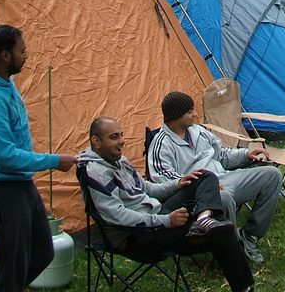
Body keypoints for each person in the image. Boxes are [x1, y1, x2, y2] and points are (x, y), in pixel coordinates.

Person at [0, 25, 78, 292]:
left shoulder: (4, 82)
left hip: (20, 185)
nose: (27, 55)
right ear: (5, 55)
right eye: (21, 51)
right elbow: (6, 156)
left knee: (41, 253)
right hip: (0, 191)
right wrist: (54, 161)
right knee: (13, 268)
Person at [81, 117, 254, 292]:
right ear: (96, 141)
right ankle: (245, 288)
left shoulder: (120, 161)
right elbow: (117, 216)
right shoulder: (96, 172)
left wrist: (178, 183)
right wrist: (166, 221)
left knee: (204, 176)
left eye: (122, 135)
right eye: (114, 137)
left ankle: (203, 218)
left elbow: (146, 189)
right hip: (138, 236)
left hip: (157, 215)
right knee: (222, 230)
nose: (122, 141)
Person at [147, 91, 283, 265]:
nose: (195, 114)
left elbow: (222, 156)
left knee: (272, 175)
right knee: (222, 198)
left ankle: (250, 236)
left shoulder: (199, 132)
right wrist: (204, 185)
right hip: (198, 194)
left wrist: (246, 155)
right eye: (190, 112)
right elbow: (164, 180)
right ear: (176, 116)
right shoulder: (161, 144)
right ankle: (233, 251)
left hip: (225, 178)